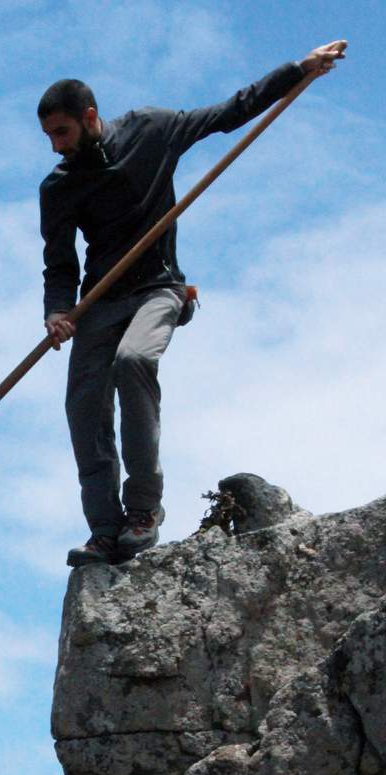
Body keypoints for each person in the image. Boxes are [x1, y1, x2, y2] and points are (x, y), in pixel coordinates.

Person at [38, 40, 346, 567]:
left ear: (90, 117)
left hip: (159, 288)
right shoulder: (59, 187)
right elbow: (60, 262)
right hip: (98, 302)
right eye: (48, 137)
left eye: (61, 133)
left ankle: (142, 513)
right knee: (83, 406)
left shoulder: (152, 130)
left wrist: (298, 71)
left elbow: (230, 111)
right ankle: (105, 532)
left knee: (134, 362)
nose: (55, 147)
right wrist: (58, 310)